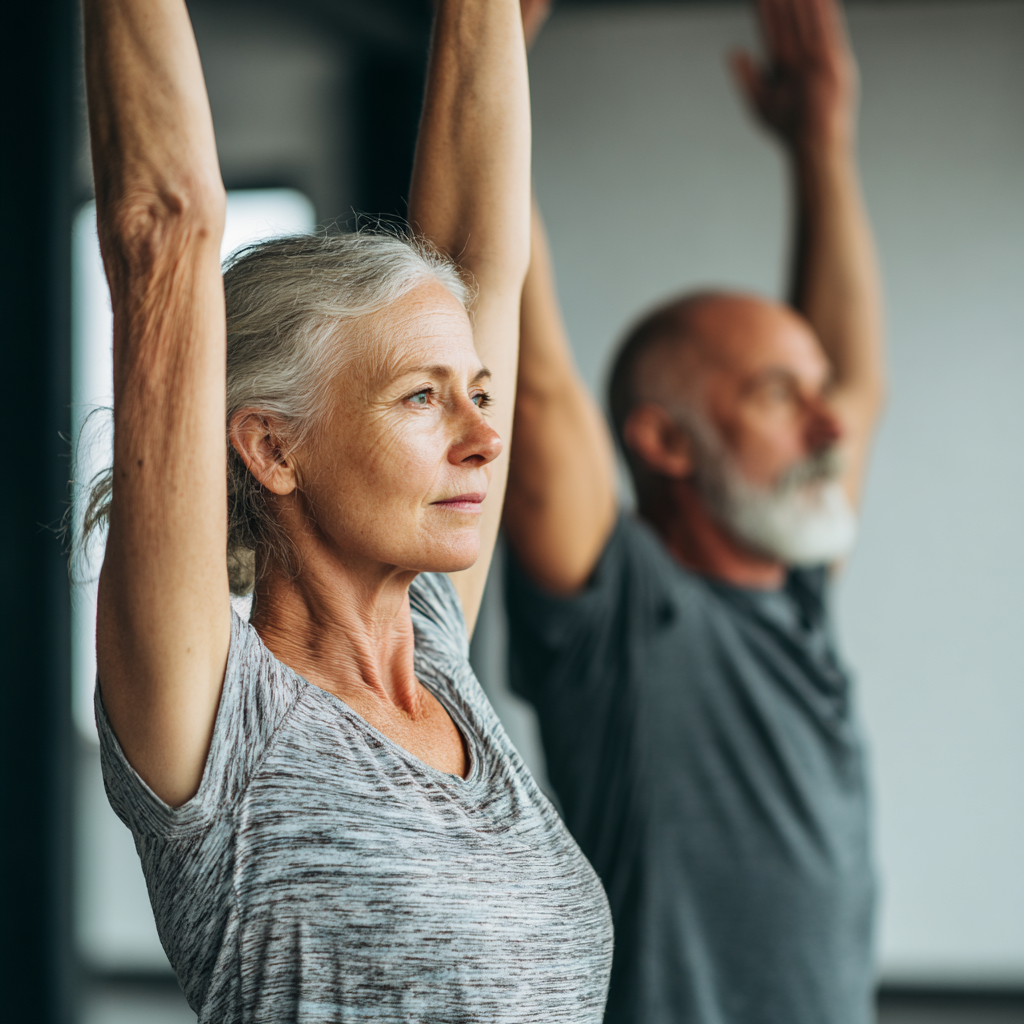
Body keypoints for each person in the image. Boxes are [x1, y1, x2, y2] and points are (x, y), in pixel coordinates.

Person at [81, 0, 612, 1019]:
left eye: (478, 393)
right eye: (422, 397)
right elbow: (163, 233)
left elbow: (473, 259)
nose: (483, 437)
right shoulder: (221, 719)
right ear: (273, 448)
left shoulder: (434, 654)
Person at [503, 0, 885, 1021]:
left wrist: (821, 147)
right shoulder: (618, 605)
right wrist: (484, 49)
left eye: (815, 394)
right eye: (776, 395)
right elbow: (531, 380)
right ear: (664, 442)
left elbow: (856, 391)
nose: (827, 426)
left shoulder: (797, 589)